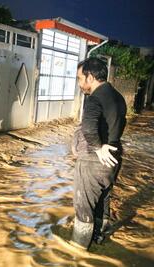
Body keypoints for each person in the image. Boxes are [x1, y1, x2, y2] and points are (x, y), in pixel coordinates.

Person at [71, 57, 126, 250]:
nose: (79, 83)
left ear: (91, 77)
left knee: (83, 206)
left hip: (94, 160)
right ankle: (99, 237)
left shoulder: (95, 98)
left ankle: (77, 251)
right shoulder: (117, 96)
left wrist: (98, 147)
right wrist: (108, 146)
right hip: (113, 158)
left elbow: (88, 127)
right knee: (103, 199)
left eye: (80, 78)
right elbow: (121, 124)